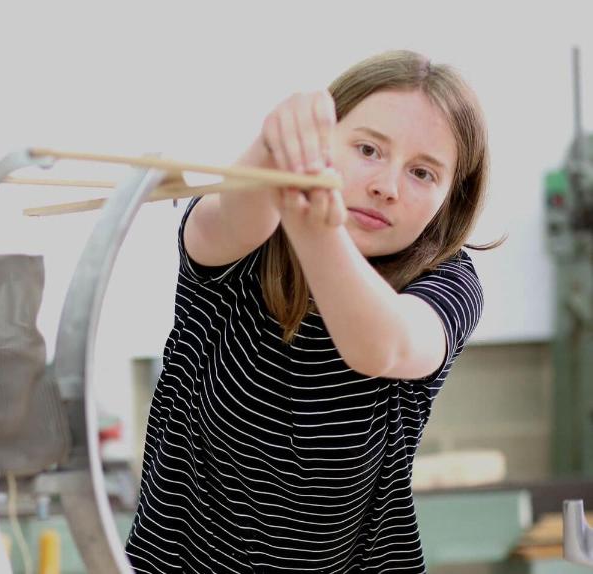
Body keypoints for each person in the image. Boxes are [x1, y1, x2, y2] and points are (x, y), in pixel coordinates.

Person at [124, 50, 502, 573]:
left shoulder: (447, 278)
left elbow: (384, 345)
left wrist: (315, 229)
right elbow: (231, 218)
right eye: (368, 149)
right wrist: (274, 143)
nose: (386, 186)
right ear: (322, 143)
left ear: (450, 197)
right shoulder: (246, 234)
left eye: (422, 173)